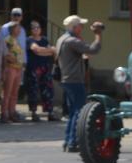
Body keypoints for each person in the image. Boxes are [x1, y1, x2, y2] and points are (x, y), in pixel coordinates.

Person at [57, 15, 103, 152]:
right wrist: (98, 35)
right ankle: (73, 142)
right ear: (74, 27)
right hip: (74, 79)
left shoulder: (62, 39)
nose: (82, 28)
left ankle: (68, 141)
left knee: (73, 112)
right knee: (79, 111)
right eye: (80, 26)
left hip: (67, 79)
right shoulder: (71, 41)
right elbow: (93, 49)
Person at [0, 7, 27, 120]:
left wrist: (24, 63)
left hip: (19, 67)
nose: (16, 17)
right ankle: (4, 112)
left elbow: (23, 48)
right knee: (7, 91)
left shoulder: (23, 30)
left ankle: (12, 111)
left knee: (15, 91)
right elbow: (4, 51)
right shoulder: (6, 32)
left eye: (18, 15)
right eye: (14, 15)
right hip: (10, 67)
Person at [25, 21, 56, 122]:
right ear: (31, 30)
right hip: (33, 69)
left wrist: (44, 52)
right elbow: (36, 50)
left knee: (48, 90)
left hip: (45, 68)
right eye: (34, 28)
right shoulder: (29, 40)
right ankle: (34, 113)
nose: (36, 29)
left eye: (38, 27)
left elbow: (52, 52)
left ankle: (50, 112)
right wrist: (46, 51)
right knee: (33, 91)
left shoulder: (45, 39)